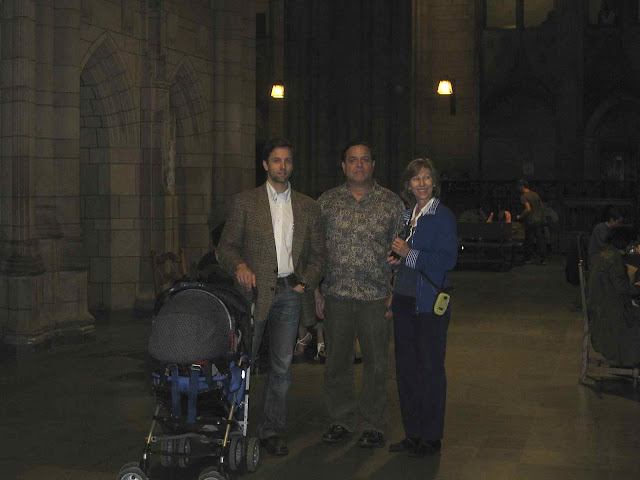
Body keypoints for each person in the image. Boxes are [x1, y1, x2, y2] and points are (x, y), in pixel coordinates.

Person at [216, 138, 326, 456]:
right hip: (252, 293)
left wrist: (305, 283)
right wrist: (239, 266)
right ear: (265, 164)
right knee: (241, 362)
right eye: (276, 160)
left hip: (291, 292)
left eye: (287, 161)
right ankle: (231, 428)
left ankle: (271, 430)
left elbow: (319, 255)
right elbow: (226, 247)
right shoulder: (245, 202)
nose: (282, 166)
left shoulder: (308, 207)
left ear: (293, 165)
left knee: (282, 367)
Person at [317, 141, 404, 449]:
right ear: (343, 166)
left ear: (373, 165)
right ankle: (341, 419)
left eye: (364, 160)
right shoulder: (326, 203)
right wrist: (315, 290)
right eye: (352, 160)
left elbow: (404, 250)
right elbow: (314, 250)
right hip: (336, 294)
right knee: (336, 363)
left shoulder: (392, 204)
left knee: (377, 365)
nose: (358, 165)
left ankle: (373, 423)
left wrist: (397, 291)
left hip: (376, 295)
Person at [386, 158, 457, 457]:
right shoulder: (407, 215)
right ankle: (412, 433)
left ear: (434, 182)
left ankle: (431, 437)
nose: (422, 183)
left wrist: (409, 253)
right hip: (404, 299)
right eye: (416, 179)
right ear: (408, 185)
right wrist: (396, 261)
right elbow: (405, 259)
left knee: (430, 369)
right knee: (406, 370)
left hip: (429, 302)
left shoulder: (442, 216)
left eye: (427, 178)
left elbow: (447, 261)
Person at [588, 226, 640, 366]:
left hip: (601, 309)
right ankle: (630, 361)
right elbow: (622, 288)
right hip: (610, 316)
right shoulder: (614, 259)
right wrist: (637, 288)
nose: (632, 247)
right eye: (631, 244)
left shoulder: (605, 254)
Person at [516, 179, 545, 265]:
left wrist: (520, 217)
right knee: (540, 240)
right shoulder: (535, 194)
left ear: (521, 186)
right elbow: (542, 207)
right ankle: (542, 258)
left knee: (529, 240)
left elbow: (528, 209)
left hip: (530, 221)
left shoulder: (524, 197)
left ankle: (527, 258)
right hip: (538, 220)